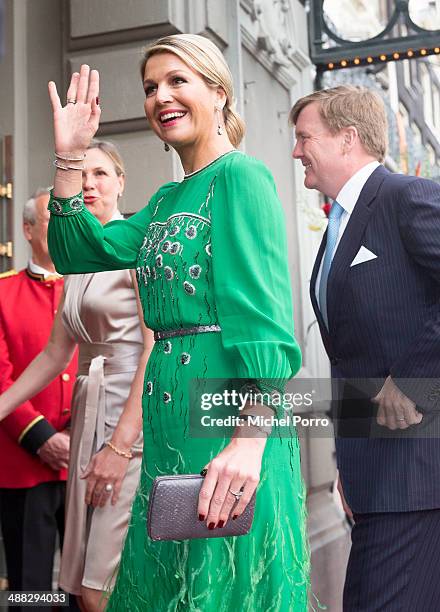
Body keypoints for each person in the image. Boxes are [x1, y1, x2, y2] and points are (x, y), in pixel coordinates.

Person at [42, 34, 309, 611]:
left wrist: (248, 439)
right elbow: (76, 251)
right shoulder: (165, 200)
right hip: (167, 426)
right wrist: (69, 156)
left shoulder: (241, 177)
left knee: (220, 585)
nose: (160, 96)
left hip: (225, 417)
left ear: (217, 92)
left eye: (177, 81)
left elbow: (267, 327)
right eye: (149, 87)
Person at [291, 84, 440, 610]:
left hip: (420, 473)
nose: (295, 151)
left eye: (304, 137)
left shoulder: (405, 196)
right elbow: (352, 360)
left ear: (346, 139)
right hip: (373, 478)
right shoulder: (336, 225)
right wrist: (344, 469)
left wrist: (413, 381)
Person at [0, 140, 153, 612]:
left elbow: (153, 345)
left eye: (101, 174)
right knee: (51, 587)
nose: (89, 184)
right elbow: (52, 355)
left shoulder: (134, 246)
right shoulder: (72, 264)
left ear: (121, 182)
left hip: (122, 425)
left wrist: (121, 443)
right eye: (80, 175)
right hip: (53, 446)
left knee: (96, 584)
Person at [0, 189, 77, 608]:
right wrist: (42, 438)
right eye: (52, 219)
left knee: (88, 586)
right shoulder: (3, 293)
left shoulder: (91, 289)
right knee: (30, 588)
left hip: (86, 462)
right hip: (22, 464)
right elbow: (1, 379)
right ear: (28, 230)